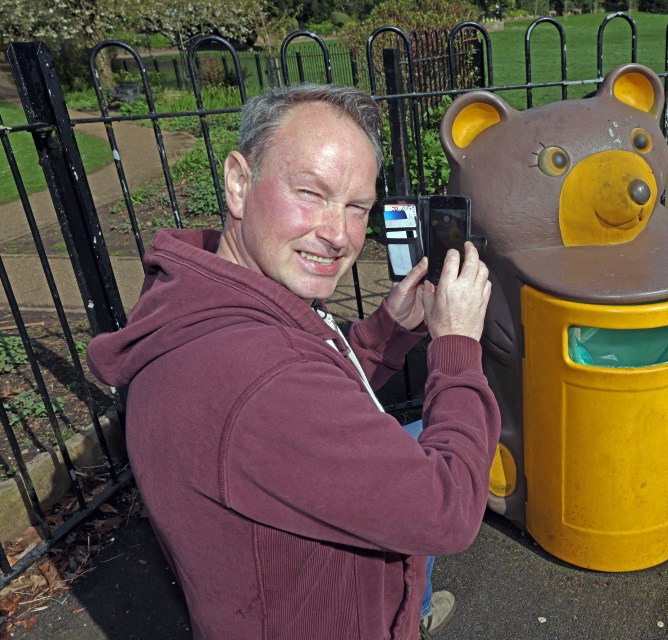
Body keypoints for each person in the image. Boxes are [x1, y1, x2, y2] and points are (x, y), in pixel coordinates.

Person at [86, 83, 500, 640]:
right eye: (310, 193)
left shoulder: (206, 295)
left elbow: (310, 384)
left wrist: (384, 334)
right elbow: (448, 510)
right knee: (433, 437)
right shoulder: (260, 378)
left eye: (356, 207)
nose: (336, 235)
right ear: (239, 182)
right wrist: (457, 347)